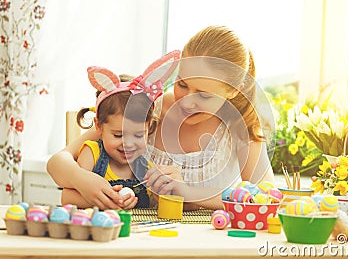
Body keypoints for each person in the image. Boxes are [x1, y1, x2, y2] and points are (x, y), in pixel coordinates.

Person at [47, 25, 275, 210]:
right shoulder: (145, 108)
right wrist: (82, 180)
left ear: (235, 90)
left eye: (204, 95)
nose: (186, 100)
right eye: (182, 84)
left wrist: (189, 194)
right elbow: (58, 162)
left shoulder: (240, 126)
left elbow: (268, 197)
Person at [62, 66, 160, 209]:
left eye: (139, 135)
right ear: (99, 126)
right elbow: (67, 197)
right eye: (118, 135)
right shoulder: (92, 154)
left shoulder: (146, 166)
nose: (128, 144)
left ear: (148, 127)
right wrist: (106, 203)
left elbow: (155, 205)